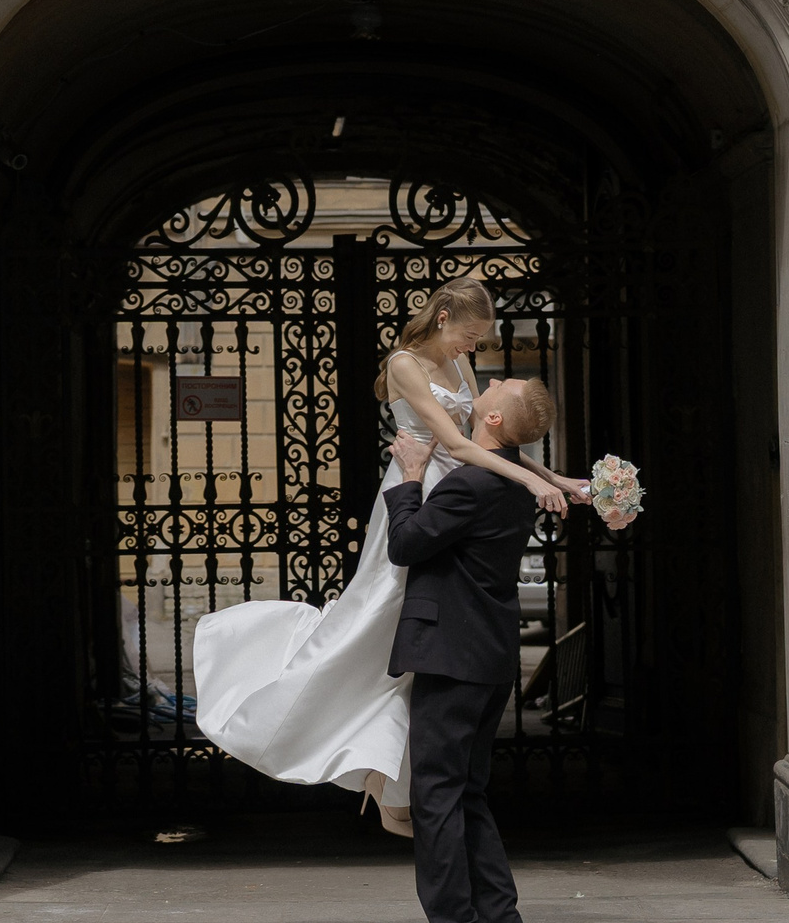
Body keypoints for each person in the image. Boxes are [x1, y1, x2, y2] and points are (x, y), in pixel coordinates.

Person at [193, 278, 584, 833]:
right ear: (443, 317)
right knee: (378, 625)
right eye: (470, 335)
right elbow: (457, 444)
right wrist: (530, 481)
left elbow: (490, 440)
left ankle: (385, 777)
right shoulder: (405, 364)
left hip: (457, 490)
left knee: (422, 637)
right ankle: (324, 737)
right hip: (416, 489)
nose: (473, 347)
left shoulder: (460, 362)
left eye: (479, 339)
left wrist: (556, 478)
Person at [378, 375, 554, 923]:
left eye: (504, 384)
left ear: (495, 420)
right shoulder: (512, 481)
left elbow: (406, 545)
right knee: (467, 792)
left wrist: (409, 479)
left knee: (435, 794)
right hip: (487, 653)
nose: (494, 378)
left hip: (450, 653)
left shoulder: (471, 484)